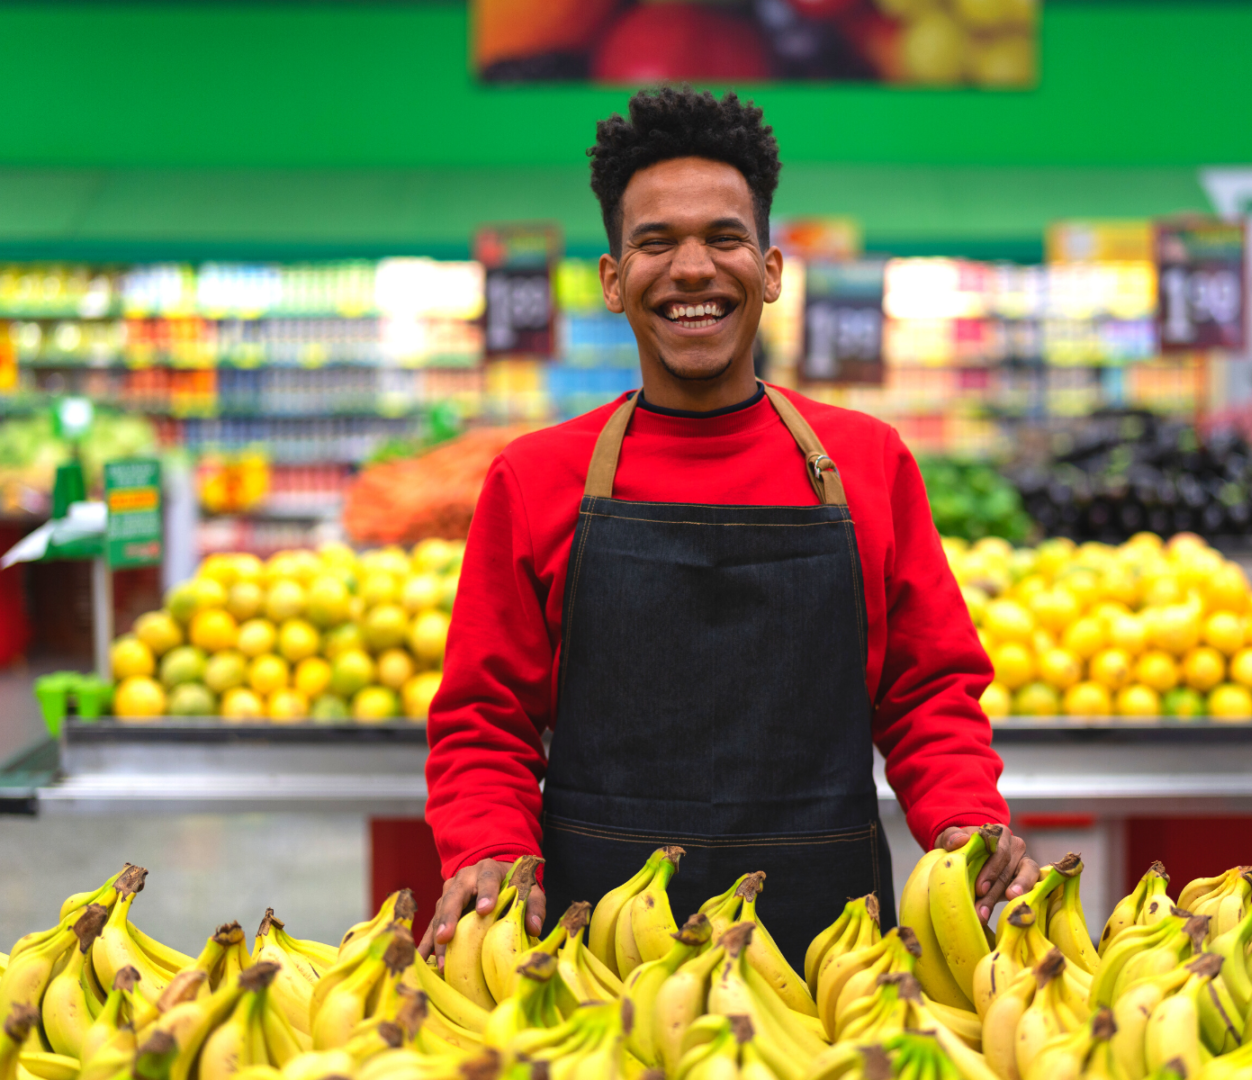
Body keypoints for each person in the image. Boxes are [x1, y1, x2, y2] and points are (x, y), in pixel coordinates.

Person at [419, 87, 1037, 967]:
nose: (693, 270)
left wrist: (966, 822)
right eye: (655, 244)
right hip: (591, 942)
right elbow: (486, 715)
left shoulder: (869, 464)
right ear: (612, 278)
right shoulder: (534, 478)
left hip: (830, 946)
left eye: (723, 238)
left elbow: (928, 691)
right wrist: (486, 848)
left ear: (773, 269)